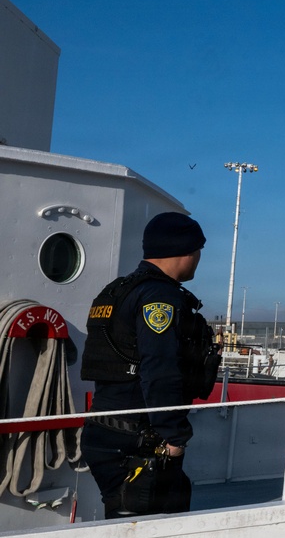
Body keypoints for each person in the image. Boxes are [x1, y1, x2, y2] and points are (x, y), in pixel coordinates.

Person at [80, 212, 219, 518]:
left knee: (124, 517)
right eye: (197, 251)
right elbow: (159, 368)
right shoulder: (160, 297)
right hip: (138, 439)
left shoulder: (116, 291)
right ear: (184, 251)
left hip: (103, 431)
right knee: (150, 532)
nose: (198, 259)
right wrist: (173, 436)